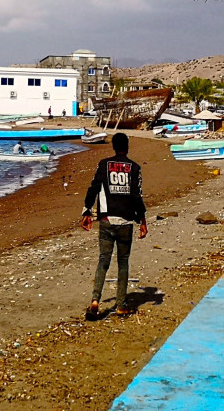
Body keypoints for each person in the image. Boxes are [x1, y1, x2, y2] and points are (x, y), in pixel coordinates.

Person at [80, 132, 147, 318]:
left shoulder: (104, 165)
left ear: (113, 147)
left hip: (106, 220)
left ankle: (95, 299)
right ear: (127, 146)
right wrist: (143, 220)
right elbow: (136, 196)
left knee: (103, 260)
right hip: (125, 222)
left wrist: (86, 210)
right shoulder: (134, 167)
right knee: (123, 263)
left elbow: (93, 188)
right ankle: (120, 304)